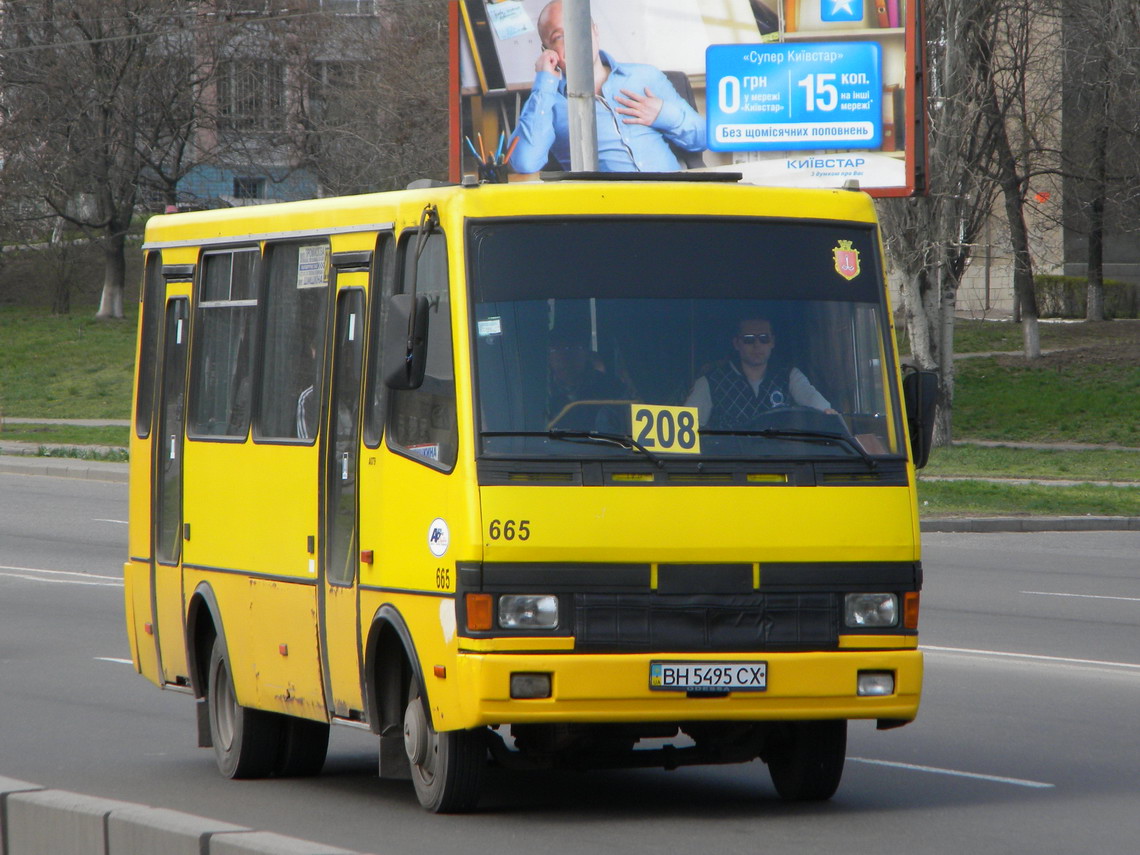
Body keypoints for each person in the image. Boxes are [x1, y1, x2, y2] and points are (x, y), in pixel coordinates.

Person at [508, 0, 706, 174]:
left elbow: (703, 138)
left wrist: (663, 114)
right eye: (559, 37)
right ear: (547, 51)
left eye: (579, 26)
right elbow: (524, 163)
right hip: (610, 210)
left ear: (595, 30)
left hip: (674, 200)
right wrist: (544, 82)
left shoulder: (645, 76)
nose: (574, 40)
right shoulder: (548, 102)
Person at [685, 317, 836, 429]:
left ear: (772, 342)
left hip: (784, 462)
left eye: (764, 338)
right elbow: (687, 426)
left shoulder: (790, 376)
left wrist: (829, 415)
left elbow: (825, 413)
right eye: (749, 339)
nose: (757, 345)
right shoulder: (711, 381)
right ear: (737, 343)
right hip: (730, 465)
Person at [546, 330, 626, 429]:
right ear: (548, 356)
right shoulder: (535, 391)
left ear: (586, 353)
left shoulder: (611, 387)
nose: (564, 356)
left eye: (573, 348)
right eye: (556, 349)